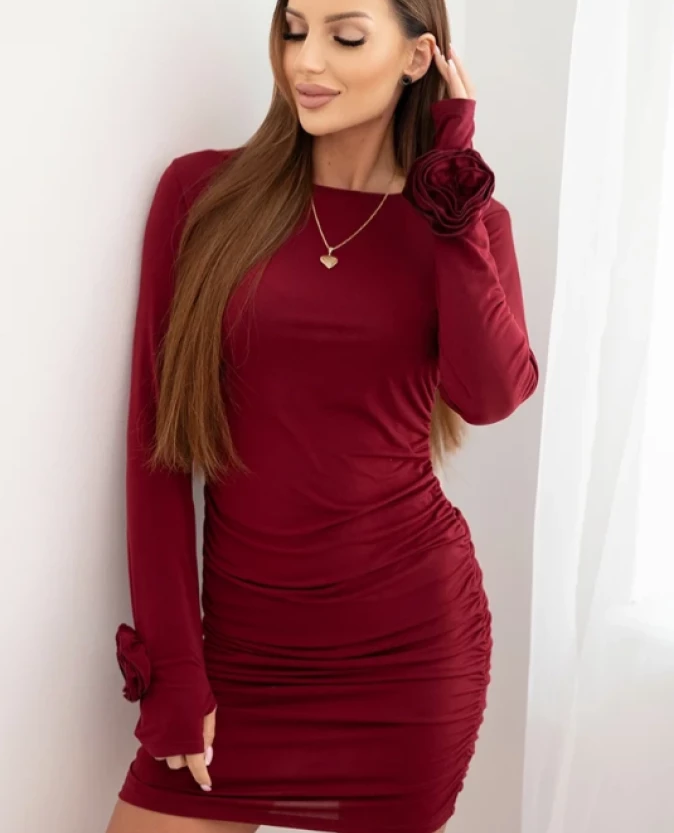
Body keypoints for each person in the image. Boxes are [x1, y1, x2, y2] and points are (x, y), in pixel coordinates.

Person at [105, 1, 539, 832]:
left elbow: (490, 396)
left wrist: (450, 193)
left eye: (344, 36)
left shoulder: (467, 224)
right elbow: (155, 452)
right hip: (240, 655)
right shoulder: (201, 194)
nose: (306, 62)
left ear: (417, 59)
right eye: (294, 30)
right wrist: (175, 672)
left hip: (406, 654)